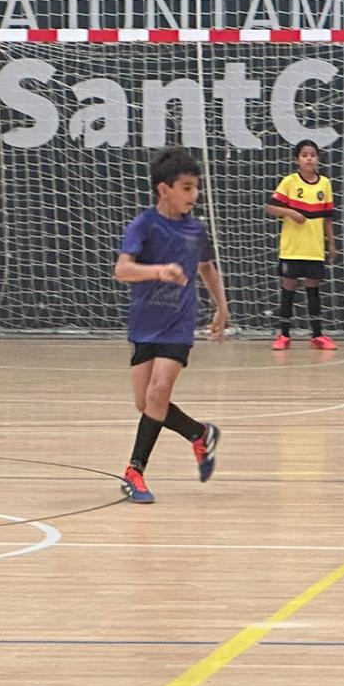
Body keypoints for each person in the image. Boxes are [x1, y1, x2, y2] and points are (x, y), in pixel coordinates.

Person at [114, 147, 229, 503]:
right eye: (186, 188)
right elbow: (122, 270)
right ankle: (199, 433)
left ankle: (134, 472)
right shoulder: (144, 225)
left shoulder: (196, 230)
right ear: (164, 189)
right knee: (146, 402)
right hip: (143, 323)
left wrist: (221, 308)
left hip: (178, 324)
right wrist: (158, 271)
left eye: (196, 188)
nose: (194, 196)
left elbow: (207, 268)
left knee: (157, 393)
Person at [265, 138, 337, 350]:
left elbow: (327, 218)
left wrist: (331, 244)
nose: (309, 159)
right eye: (304, 155)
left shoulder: (325, 183)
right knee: (289, 286)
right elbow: (269, 207)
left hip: (314, 248)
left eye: (312, 155)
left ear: (318, 159)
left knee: (313, 288)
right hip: (292, 247)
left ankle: (317, 334)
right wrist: (290, 212)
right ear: (297, 159)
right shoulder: (289, 182)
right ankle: (283, 334)